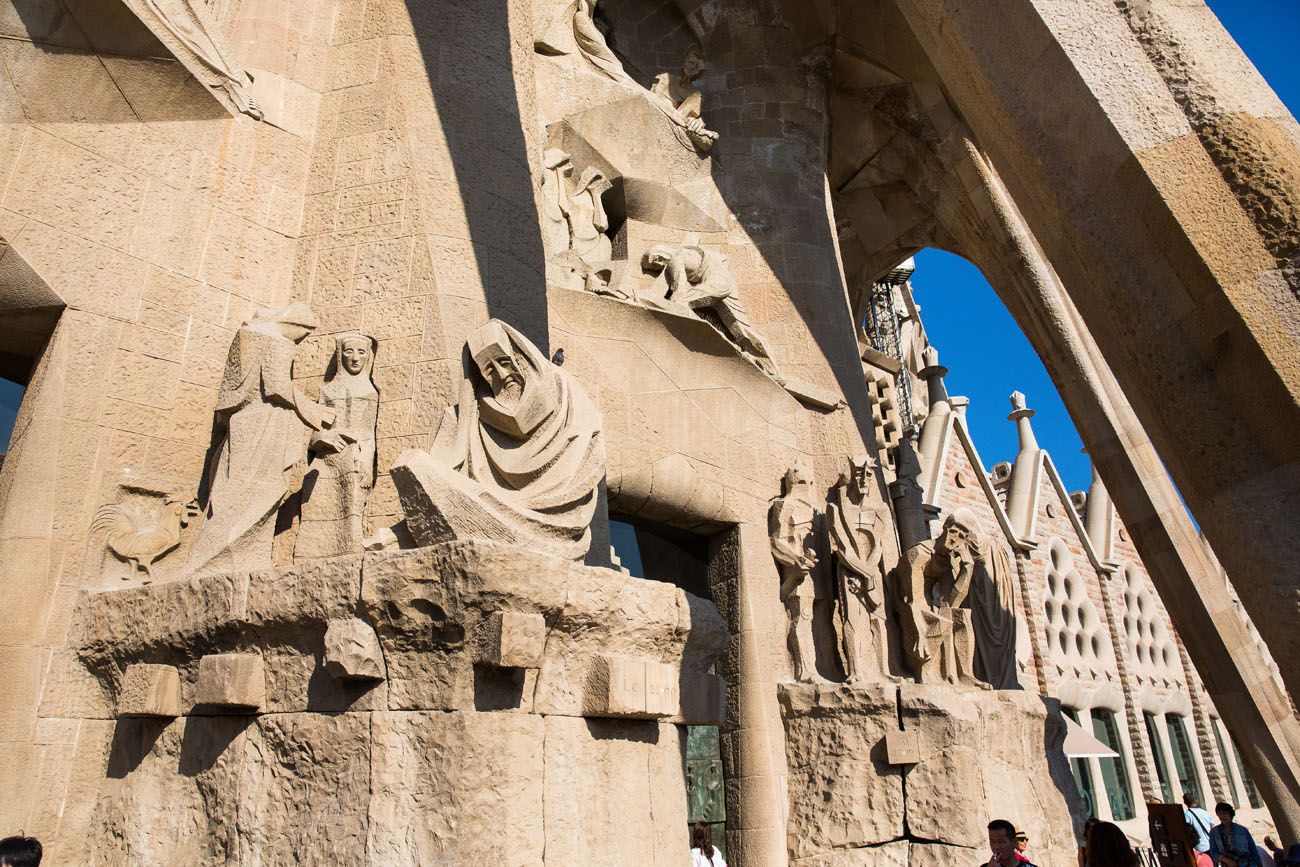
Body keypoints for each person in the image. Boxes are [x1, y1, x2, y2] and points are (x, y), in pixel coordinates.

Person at [1208, 802, 1263, 867]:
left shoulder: (1242, 830)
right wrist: (1226, 860)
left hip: (1247, 864)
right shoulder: (1214, 832)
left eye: (1225, 813)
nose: (1222, 816)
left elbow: (1253, 850)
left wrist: (1259, 865)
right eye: (1220, 813)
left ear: (1230, 814)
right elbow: (1213, 851)